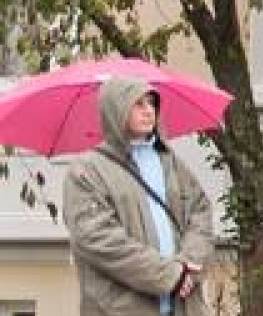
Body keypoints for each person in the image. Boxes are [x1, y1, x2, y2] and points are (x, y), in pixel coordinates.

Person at [63, 77, 216, 316]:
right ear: (116, 109)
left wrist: (189, 265)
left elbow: (200, 211)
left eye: (151, 103)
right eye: (138, 104)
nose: (148, 111)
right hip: (120, 308)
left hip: (183, 306)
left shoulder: (171, 163)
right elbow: (97, 239)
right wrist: (170, 275)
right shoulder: (88, 171)